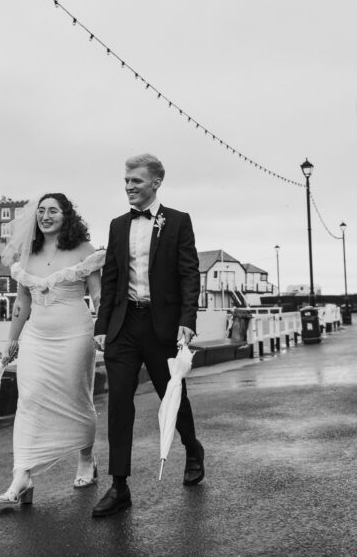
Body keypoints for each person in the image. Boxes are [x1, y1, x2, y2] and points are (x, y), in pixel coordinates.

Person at [92, 153, 204, 518]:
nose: (129, 187)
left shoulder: (178, 222)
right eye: (126, 181)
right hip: (124, 326)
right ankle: (119, 485)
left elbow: (189, 274)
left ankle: (191, 446)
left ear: (156, 182)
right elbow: (111, 279)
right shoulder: (117, 225)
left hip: (163, 327)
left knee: (172, 395)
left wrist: (187, 319)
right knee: (119, 402)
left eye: (136, 181)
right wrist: (102, 327)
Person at [0, 193, 105, 505]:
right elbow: (22, 302)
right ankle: (23, 475)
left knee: (77, 396)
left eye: (52, 211)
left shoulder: (84, 250)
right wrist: (11, 343)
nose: (45, 216)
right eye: (41, 211)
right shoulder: (27, 255)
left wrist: (105, 329)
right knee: (28, 400)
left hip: (75, 335)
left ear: (66, 215)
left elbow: (97, 295)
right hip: (36, 338)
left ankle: (86, 458)